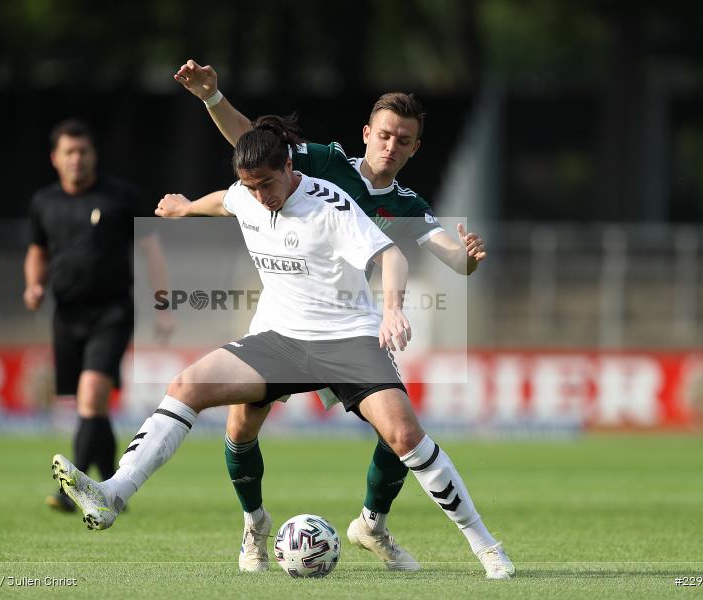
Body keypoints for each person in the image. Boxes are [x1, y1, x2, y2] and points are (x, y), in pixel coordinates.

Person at [52, 126, 514, 582]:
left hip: (346, 339)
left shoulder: (329, 204)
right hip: (280, 340)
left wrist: (392, 311)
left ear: (289, 168)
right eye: (250, 187)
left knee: (404, 436)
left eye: (267, 185)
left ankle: (486, 547)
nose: (259, 196)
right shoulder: (246, 193)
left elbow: (392, 256)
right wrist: (187, 208)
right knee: (189, 389)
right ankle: (118, 493)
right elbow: (225, 199)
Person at [171, 60, 510, 579]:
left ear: (415, 148)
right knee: (242, 426)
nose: (391, 146)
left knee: (399, 432)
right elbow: (254, 145)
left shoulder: (406, 203)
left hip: (350, 327)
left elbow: (453, 258)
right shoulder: (327, 164)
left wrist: (467, 256)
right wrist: (213, 99)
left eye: (404, 140)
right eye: (385, 134)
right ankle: (252, 524)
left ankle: (372, 523)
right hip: (284, 319)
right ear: (367, 134)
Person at [25, 118, 174, 512]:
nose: (77, 159)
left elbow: (151, 250)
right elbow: (38, 251)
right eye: (69, 152)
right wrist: (34, 285)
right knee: (92, 406)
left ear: (94, 155)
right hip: (66, 314)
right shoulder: (44, 202)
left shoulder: (119, 198)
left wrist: (163, 305)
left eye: (83, 151)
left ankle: (70, 492)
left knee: (91, 398)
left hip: (112, 312)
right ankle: (113, 485)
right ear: (55, 158)